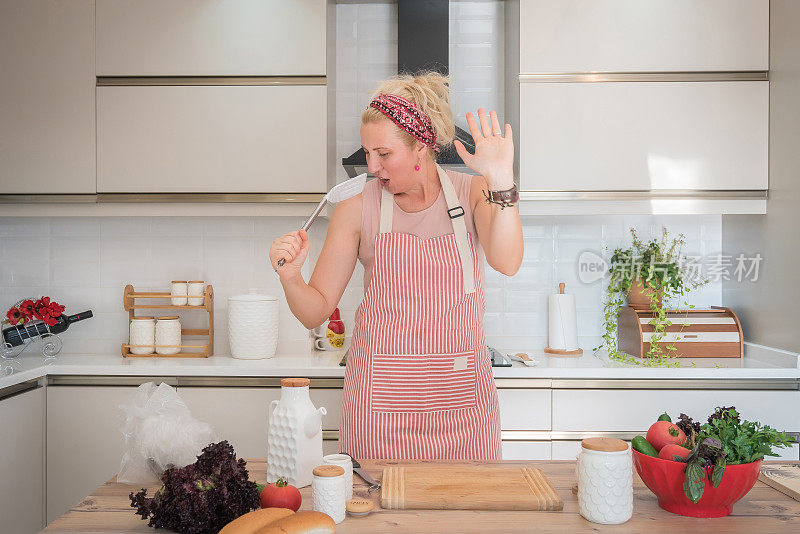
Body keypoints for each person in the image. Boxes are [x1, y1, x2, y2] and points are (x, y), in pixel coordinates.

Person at [269, 72, 523, 459]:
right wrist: (290, 277)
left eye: (384, 154)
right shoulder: (356, 206)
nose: (372, 167)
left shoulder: (474, 192)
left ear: (421, 146)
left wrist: (500, 178)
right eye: (368, 153)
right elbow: (314, 310)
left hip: (463, 410)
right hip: (379, 415)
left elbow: (507, 261)